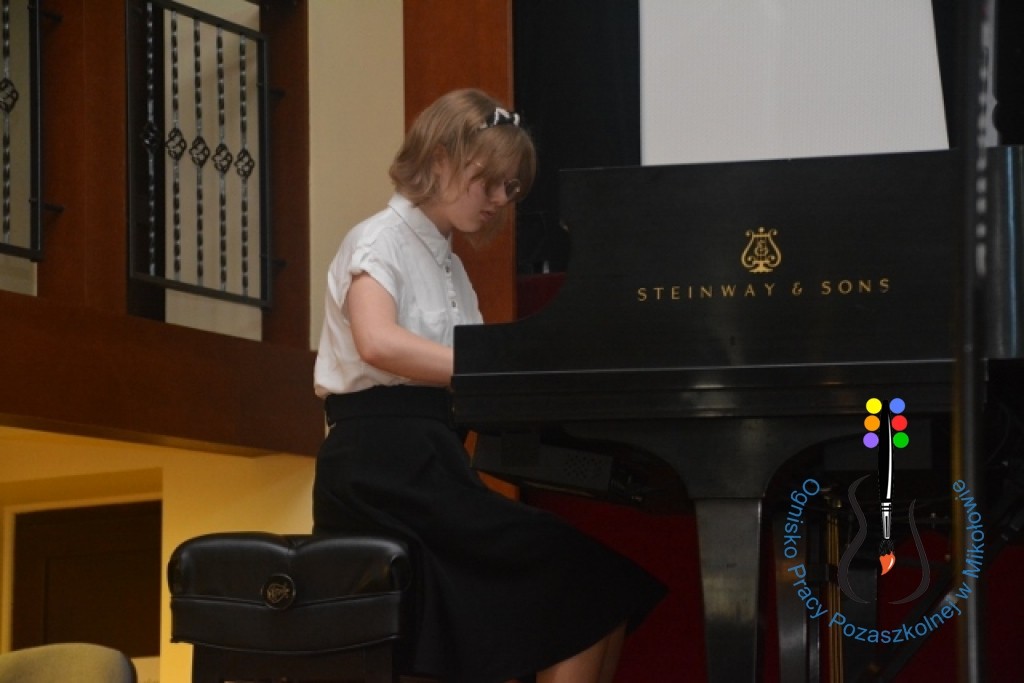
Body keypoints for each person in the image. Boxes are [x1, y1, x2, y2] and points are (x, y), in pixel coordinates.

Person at [312, 88, 666, 683]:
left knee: (603, 596)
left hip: (433, 466)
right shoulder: (378, 239)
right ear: (440, 159)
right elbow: (377, 343)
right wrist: (493, 370)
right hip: (382, 472)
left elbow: (471, 387)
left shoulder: (451, 267)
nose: (501, 199)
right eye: (490, 181)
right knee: (588, 585)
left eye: (511, 187)